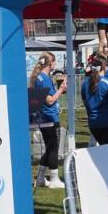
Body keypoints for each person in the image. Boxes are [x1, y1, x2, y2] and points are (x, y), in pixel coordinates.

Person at [28, 51, 67, 188]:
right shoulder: (43, 79)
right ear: (50, 63)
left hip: (44, 117)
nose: (55, 64)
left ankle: (40, 178)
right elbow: (50, 100)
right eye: (54, 61)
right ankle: (54, 179)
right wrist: (61, 89)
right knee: (53, 148)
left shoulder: (40, 77)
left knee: (50, 147)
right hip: (49, 117)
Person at [81, 55, 108, 145]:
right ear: (104, 67)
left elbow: (85, 102)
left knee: (102, 148)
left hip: (94, 123)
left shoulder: (85, 83)